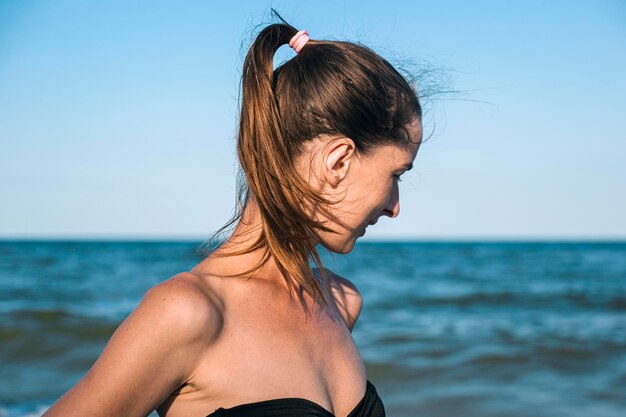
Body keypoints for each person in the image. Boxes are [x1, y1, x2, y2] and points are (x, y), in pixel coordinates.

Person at [42, 9, 422, 417]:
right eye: (395, 173)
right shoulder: (189, 313)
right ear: (338, 161)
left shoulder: (340, 302)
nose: (394, 207)